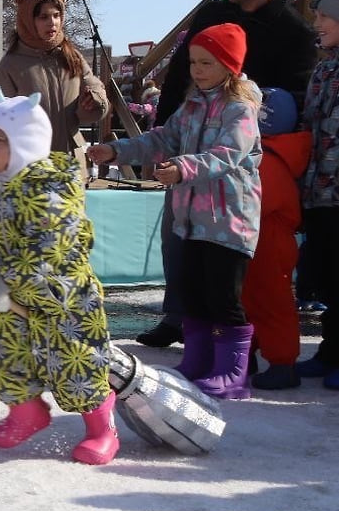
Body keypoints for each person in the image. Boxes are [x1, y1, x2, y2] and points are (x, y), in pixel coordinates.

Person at [136, 0, 315, 349]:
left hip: (245, 160)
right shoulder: (212, 15)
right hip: (190, 141)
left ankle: (235, 337)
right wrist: (161, 140)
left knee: (231, 250)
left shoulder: (292, 31)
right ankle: (178, 315)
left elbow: (298, 99)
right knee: (177, 234)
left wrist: (259, 107)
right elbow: (179, 77)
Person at [88, 23, 262, 399]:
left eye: (207, 63)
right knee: (193, 293)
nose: (197, 70)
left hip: (227, 220)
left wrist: (182, 168)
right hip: (191, 220)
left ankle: (234, 371)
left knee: (222, 297)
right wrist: (118, 151)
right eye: (194, 62)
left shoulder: (240, 109)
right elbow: (163, 138)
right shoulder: (193, 105)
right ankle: (198, 361)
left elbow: (227, 154)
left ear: (229, 66)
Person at [0, 90, 118, 466]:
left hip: (63, 301)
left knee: (76, 365)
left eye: (0, 141)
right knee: (1, 350)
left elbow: (48, 252)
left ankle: (100, 426)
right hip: (12, 300)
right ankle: (27, 412)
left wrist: (5, 281)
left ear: (26, 142)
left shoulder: (50, 190)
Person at [0, 0, 109, 158]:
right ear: (29, 20)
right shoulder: (11, 64)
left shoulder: (71, 56)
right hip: (31, 165)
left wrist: (94, 100)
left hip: (71, 162)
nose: (52, 22)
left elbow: (96, 89)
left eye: (56, 15)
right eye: (43, 17)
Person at [242, 88, 310, 390]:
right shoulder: (267, 154)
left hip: (270, 239)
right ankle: (248, 354)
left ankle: (283, 363)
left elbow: (258, 201)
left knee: (273, 302)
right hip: (258, 238)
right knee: (249, 299)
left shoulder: (268, 159)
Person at [296, 0, 339, 386]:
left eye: (325, 17)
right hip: (320, 190)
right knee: (324, 273)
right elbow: (311, 124)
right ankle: (329, 351)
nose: (317, 24)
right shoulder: (324, 69)